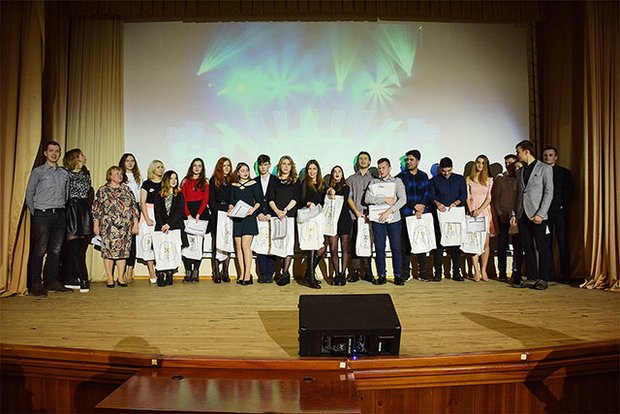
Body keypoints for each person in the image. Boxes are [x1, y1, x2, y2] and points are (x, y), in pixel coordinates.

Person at [25, 140, 72, 296]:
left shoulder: (64, 173)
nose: (54, 153)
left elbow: (66, 195)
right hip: (42, 214)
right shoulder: (38, 172)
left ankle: (52, 281)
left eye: (57, 151)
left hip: (59, 214)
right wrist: (37, 213)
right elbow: (29, 194)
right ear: (45, 153)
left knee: (56, 250)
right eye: (51, 150)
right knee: (40, 249)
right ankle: (36, 284)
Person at [510, 140, 554, 290]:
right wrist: (514, 213)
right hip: (523, 214)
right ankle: (532, 277)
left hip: (538, 215)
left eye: (518, 151)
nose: (517, 154)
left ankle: (543, 278)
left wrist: (541, 213)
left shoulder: (544, 168)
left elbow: (548, 192)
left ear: (526, 152)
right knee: (527, 246)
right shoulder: (520, 171)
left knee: (542, 246)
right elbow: (518, 195)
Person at [92, 166, 140, 288]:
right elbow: (96, 209)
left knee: (123, 252)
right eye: (117, 173)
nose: (120, 175)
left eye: (121, 173)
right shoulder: (103, 190)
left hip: (125, 227)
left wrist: (135, 224)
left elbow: (134, 208)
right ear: (110, 175)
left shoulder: (126, 189)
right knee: (108, 252)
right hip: (108, 227)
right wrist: (96, 225)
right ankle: (109, 277)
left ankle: (121, 277)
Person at [364, 158, 407, 285]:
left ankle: (397, 275)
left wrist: (389, 211)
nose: (381, 170)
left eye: (383, 168)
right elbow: (367, 199)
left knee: (396, 247)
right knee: (379, 248)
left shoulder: (397, 181)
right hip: (378, 219)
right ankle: (381, 275)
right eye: (379, 168)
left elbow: (403, 199)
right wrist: (383, 199)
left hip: (394, 219)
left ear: (389, 168)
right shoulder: (374, 182)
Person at [428, 157, 468, 282]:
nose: (446, 173)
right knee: (439, 244)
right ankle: (438, 273)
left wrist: (455, 203)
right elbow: (431, 195)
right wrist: (438, 204)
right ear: (440, 169)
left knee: (456, 244)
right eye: (444, 171)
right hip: (440, 215)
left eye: (449, 171)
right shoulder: (434, 180)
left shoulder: (460, 179)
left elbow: (464, 195)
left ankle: (456, 272)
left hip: (455, 214)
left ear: (452, 168)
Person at [396, 149, 431, 282]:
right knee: (405, 244)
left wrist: (421, 206)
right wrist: (414, 205)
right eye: (407, 160)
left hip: (421, 214)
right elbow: (401, 195)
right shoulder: (401, 177)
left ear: (418, 161)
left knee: (421, 241)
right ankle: (406, 271)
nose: (408, 162)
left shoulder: (424, 176)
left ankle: (423, 272)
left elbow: (427, 193)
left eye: (411, 160)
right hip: (406, 214)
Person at [61, 149, 93, 293]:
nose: (84, 157)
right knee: (73, 247)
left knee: (80, 248)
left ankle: (73, 278)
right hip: (71, 209)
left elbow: (86, 192)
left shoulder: (86, 174)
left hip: (83, 209)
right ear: (75, 158)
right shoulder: (66, 174)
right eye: (81, 155)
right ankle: (82, 278)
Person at [542, 146, 575, 283]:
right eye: (545, 155)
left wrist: (562, 205)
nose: (547, 157)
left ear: (556, 157)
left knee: (562, 242)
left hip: (560, 212)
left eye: (550, 155)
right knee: (546, 244)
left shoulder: (564, 173)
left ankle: (565, 275)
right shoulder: (539, 172)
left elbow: (570, 191)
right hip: (544, 213)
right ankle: (548, 274)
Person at [267, 155, 301, 286]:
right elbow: (270, 198)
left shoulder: (295, 181)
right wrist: (277, 211)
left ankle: (285, 273)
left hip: (289, 216)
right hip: (276, 216)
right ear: (280, 166)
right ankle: (279, 271)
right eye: (283, 164)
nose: (286, 166)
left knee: (289, 244)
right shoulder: (273, 180)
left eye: (288, 164)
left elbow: (296, 198)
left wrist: (285, 210)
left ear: (291, 166)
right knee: (278, 244)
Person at [228, 162, 262, 285]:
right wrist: (231, 208)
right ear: (238, 172)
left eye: (247, 170)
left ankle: (248, 275)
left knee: (245, 245)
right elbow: (231, 201)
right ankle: (242, 273)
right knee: (238, 247)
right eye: (242, 170)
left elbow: (259, 201)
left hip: (249, 218)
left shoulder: (254, 184)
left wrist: (253, 209)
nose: (245, 172)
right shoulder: (234, 186)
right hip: (238, 218)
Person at [153, 170, 188, 287]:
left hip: (175, 227)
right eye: (171, 178)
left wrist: (169, 224)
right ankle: (160, 274)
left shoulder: (180, 195)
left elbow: (180, 212)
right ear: (166, 180)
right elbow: (157, 212)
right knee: (161, 251)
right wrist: (163, 225)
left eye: (175, 178)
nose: (174, 181)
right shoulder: (158, 195)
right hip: (161, 227)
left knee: (173, 251)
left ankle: (169, 274)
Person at [492, 154, 523, 283]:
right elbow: (496, 197)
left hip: (517, 216)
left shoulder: (521, 177)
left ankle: (516, 272)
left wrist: (515, 214)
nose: (508, 165)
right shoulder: (500, 178)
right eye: (506, 163)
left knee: (517, 245)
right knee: (502, 244)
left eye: (510, 163)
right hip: (504, 216)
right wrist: (500, 213)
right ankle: (502, 272)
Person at [345, 151, 376, 282]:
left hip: (370, 217)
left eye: (365, 158)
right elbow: (348, 197)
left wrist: (369, 213)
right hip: (354, 216)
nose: (363, 160)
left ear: (369, 162)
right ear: (358, 162)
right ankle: (355, 272)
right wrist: (357, 212)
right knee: (354, 243)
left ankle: (368, 271)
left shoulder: (375, 179)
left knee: (368, 243)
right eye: (360, 158)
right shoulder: (351, 179)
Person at [466, 154, 495, 282]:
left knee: (485, 243)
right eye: (478, 162)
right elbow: (467, 197)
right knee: (474, 242)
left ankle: (484, 269)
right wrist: (471, 210)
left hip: (484, 212)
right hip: (472, 212)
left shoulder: (489, 180)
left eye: (483, 163)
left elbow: (489, 198)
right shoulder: (469, 179)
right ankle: (476, 271)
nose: (480, 165)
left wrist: (480, 210)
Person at [180, 158, 210, 283]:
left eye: (199, 166)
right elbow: (183, 199)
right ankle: (188, 270)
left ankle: (196, 271)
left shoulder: (205, 182)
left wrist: (198, 214)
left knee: (198, 243)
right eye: (195, 165)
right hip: (187, 213)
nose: (197, 168)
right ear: (191, 167)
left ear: (202, 168)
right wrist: (188, 215)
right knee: (187, 243)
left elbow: (206, 199)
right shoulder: (185, 181)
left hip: (200, 213)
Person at [300, 159, 327, 289]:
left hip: (319, 218)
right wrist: (308, 203)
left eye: (314, 169)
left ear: (318, 170)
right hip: (308, 218)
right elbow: (301, 199)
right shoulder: (305, 183)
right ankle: (310, 278)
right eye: (309, 169)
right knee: (311, 246)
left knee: (321, 248)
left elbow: (325, 200)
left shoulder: (322, 184)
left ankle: (307, 275)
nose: (312, 171)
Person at [325, 165, 354, 286]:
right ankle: (336, 274)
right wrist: (328, 192)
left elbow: (344, 197)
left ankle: (342, 274)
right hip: (332, 220)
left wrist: (333, 192)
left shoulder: (346, 187)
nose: (337, 173)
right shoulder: (326, 189)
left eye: (339, 171)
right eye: (335, 172)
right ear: (332, 174)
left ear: (342, 174)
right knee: (333, 248)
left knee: (345, 247)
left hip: (344, 219)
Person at [209, 157, 235, 283]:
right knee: (216, 244)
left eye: (228, 165)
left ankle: (225, 271)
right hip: (217, 215)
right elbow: (211, 200)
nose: (226, 168)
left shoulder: (233, 180)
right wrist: (220, 211)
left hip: (229, 215)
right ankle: (216, 272)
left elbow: (234, 198)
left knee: (227, 242)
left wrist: (231, 207)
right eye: (224, 165)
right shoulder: (214, 180)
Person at [140, 160, 165, 283]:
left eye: (162, 167)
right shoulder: (146, 184)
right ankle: (151, 271)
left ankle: (161, 269)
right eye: (158, 167)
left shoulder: (165, 184)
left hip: (161, 214)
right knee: (148, 243)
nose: (161, 169)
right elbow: (142, 202)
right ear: (153, 169)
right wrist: (147, 218)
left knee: (160, 242)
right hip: (149, 213)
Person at [119, 153, 142, 284]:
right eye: (127, 160)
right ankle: (120, 273)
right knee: (123, 241)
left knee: (132, 241)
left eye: (132, 160)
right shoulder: (120, 176)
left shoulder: (139, 177)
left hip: (136, 208)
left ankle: (129, 270)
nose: (130, 163)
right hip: (123, 209)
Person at [254, 154, 277, 283]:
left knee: (272, 245)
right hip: (259, 217)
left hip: (272, 217)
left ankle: (270, 273)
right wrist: (258, 213)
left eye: (265, 164)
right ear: (258, 166)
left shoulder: (275, 180)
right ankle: (263, 274)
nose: (263, 167)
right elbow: (252, 200)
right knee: (261, 246)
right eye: (261, 165)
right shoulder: (254, 181)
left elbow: (278, 198)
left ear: (269, 165)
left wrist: (272, 214)